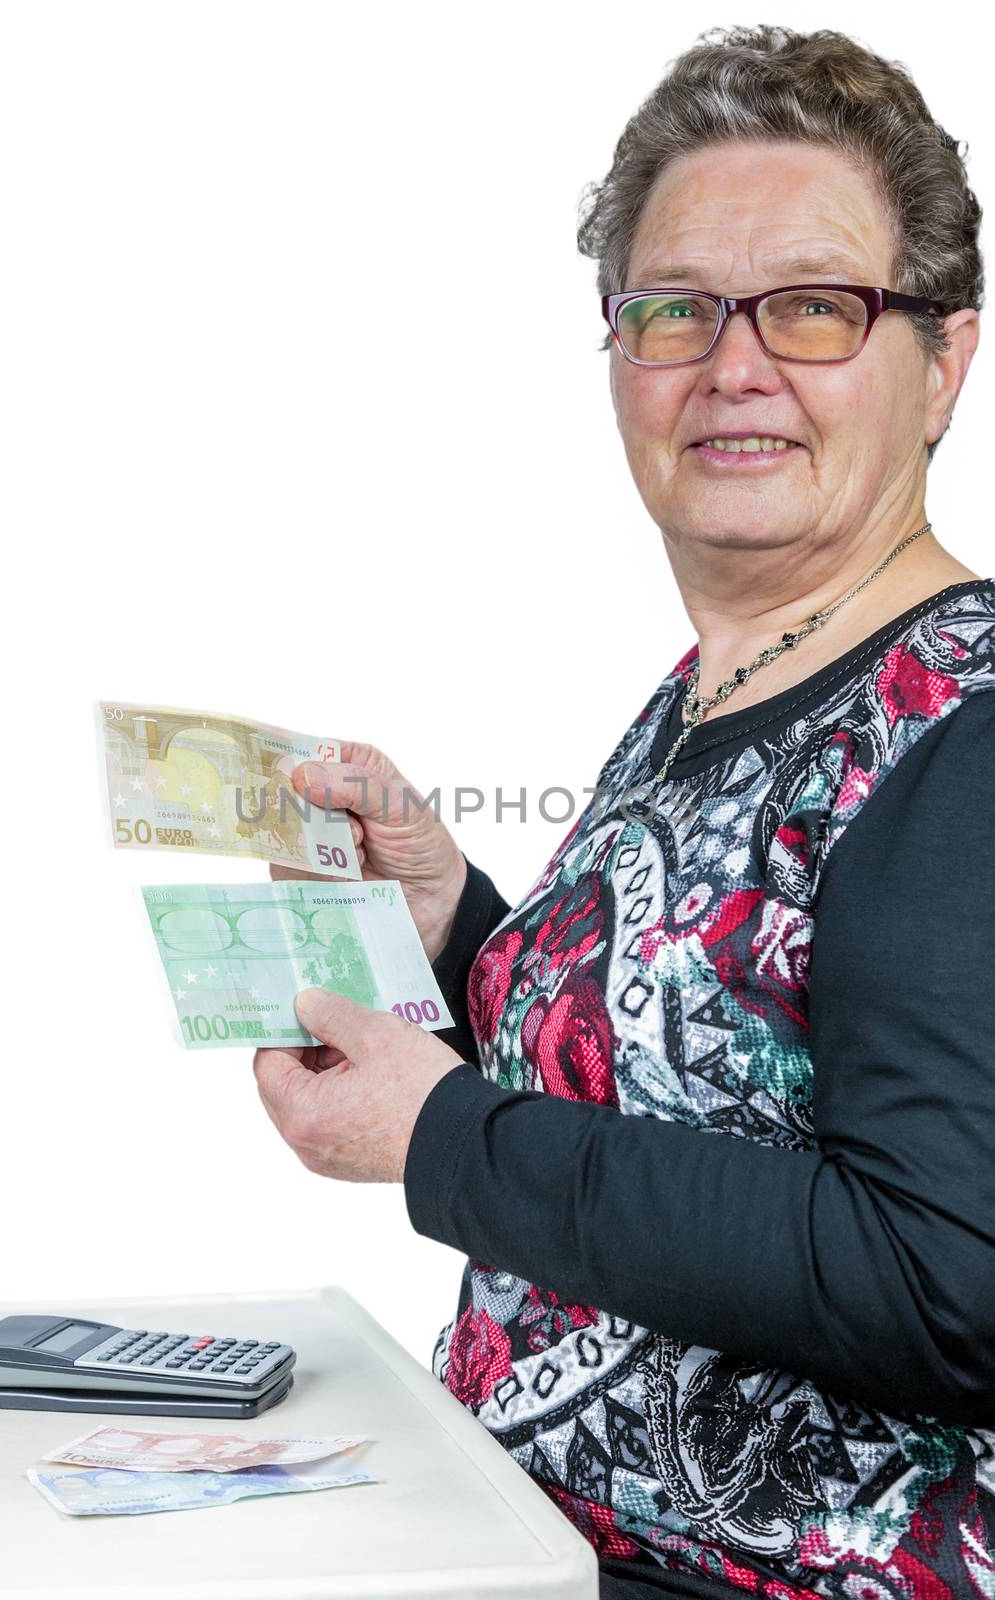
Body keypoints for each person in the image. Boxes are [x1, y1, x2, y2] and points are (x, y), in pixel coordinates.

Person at [253, 23, 995, 1598]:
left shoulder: (969, 734)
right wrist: (453, 915)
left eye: (812, 306)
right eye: (674, 311)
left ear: (944, 361)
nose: (734, 367)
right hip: (525, 1548)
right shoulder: (716, 689)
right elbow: (698, 1079)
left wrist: (445, 1138)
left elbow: (947, 1276)